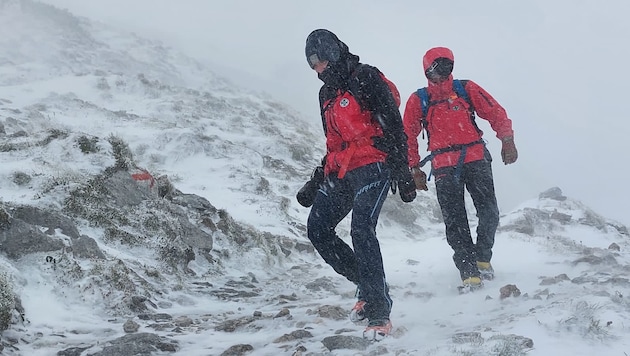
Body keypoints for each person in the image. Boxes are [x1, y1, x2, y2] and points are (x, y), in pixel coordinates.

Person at [298, 29, 417, 340]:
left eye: (318, 61)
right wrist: (317, 180)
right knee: (318, 229)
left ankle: (380, 312)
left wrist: (403, 173)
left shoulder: (365, 77)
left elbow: (393, 125)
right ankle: (366, 283)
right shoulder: (326, 94)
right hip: (342, 170)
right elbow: (333, 142)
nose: (316, 70)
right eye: (311, 65)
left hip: (375, 165)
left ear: (332, 53)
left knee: (361, 228)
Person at [402, 47, 518, 292]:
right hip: (444, 167)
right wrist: (413, 168)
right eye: (438, 66)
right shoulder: (419, 99)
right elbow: (407, 136)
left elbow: (495, 111)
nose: (444, 71)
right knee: (455, 222)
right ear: (427, 69)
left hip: (475, 159)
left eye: (448, 65)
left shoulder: (466, 88)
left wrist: (507, 139)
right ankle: (469, 271)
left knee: (490, 213)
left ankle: (482, 258)